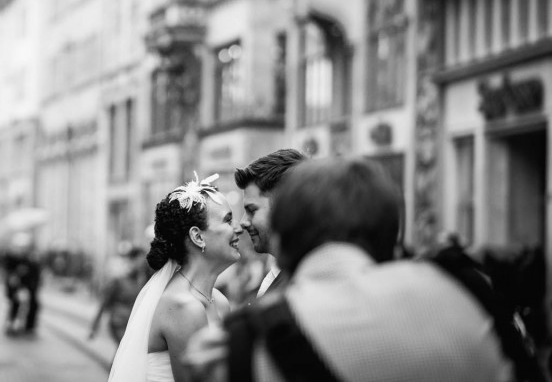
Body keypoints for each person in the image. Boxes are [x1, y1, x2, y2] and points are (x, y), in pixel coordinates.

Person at [186, 158, 523, 382]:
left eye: (250, 211)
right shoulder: (470, 300)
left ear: (285, 231)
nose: (242, 225)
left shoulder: (235, 348)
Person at [108, 172, 240, 382]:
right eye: (228, 220)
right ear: (197, 236)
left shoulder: (220, 301)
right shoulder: (183, 306)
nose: (238, 228)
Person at [233, 148, 306, 297]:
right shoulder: (280, 271)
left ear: (284, 207)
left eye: (252, 210)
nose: (243, 223)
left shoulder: (304, 283)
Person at [89, 247, 148, 344]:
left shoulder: (143, 281)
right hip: (118, 323)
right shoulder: (118, 279)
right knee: (126, 349)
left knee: (124, 354)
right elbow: (104, 303)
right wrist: (95, 326)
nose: (142, 265)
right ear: (131, 260)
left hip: (133, 323)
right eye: (140, 261)